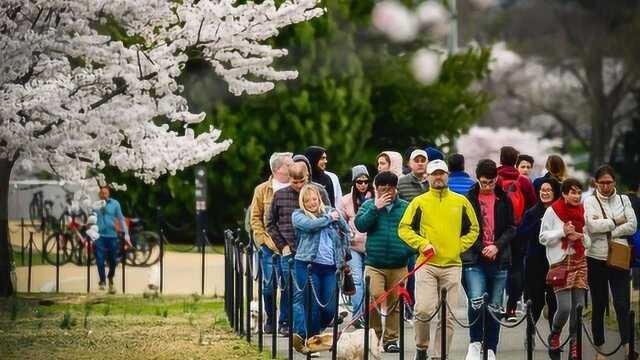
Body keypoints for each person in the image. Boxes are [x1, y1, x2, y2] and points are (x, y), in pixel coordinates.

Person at [398, 159, 480, 360]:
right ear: (428, 176)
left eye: (442, 173)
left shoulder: (461, 202)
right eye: (434, 173)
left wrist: (457, 246)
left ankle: (439, 356)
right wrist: (422, 244)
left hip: (452, 265)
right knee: (423, 309)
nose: (438, 177)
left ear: (448, 175)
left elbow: (474, 229)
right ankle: (421, 347)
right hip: (426, 264)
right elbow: (404, 228)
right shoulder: (419, 202)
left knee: (448, 316)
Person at [354, 171, 414, 353]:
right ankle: (374, 335)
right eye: (382, 189)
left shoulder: (405, 206)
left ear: (395, 188)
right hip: (375, 263)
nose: (386, 192)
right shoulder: (369, 205)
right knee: (376, 295)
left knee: (395, 303)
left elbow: (416, 230)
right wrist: (376, 207)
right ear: (377, 189)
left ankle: (390, 339)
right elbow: (360, 225)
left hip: (399, 263)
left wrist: (408, 250)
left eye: (389, 189)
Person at [462, 159, 516, 360]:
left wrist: (497, 246)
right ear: (477, 179)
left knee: (495, 305)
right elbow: (464, 230)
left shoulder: (503, 198)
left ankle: (491, 346)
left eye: (491, 182)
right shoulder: (468, 199)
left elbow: (512, 227)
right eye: (484, 182)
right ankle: (475, 343)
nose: (487, 186)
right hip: (474, 258)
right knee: (476, 301)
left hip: (499, 257)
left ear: (496, 179)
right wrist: (482, 247)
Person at [583, 165, 638, 359]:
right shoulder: (589, 202)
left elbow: (632, 226)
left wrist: (607, 230)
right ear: (596, 183)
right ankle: (600, 348)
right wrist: (617, 221)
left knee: (622, 304)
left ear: (614, 182)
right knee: (598, 304)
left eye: (609, 182)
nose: (605, 186)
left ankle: (627, 345)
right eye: (602, 183)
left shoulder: (624, 200)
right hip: (595, 258)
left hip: (619, 256)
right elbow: (591, 225)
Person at [291, 185, 350, 353]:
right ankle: (311, 342)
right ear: (302, 202)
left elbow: (345, 230)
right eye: (307, 200)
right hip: (308, 266)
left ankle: (316, 335)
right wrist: (330, 218)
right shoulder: (298, 215)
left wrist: (344, 256)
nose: (311, 203)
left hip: (330, 267)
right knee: (313, 305)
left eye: (314, 199)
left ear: (319, 198)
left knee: (330, 309)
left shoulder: (331, 211)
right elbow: (310, 226)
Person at [539, 178, 589, 360]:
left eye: (579, 192)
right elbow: (542, 237)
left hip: (580, 260)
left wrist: (580, 237)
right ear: (564, 193)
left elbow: (589, 236)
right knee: (565, 307)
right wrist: (563, 233)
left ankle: (574, 344)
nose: (576, 196)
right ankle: (555, 334)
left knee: (578, 307)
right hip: (560, 263)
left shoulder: (584, 211)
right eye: (572, 192)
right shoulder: (553, 211)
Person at [266, 161, 312, 336]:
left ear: (307, 177)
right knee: (290, 288)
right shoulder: (280, 195)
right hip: (288, 249)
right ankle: (286, 322)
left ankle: (307, 324)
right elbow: (270, 223)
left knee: (309, 288)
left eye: (302, 181)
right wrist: (282, 245)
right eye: (294, 181)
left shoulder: (316, 192)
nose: (299, 186)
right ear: (289, 178)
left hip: (311, 250)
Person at [250, 152, 293, 333]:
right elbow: (255, 218)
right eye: (288, 165)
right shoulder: (262, 190)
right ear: (277, 169)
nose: (293, 167)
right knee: (268, 286)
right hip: (268, 246)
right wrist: (262, 240)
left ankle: (284, 321)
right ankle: (270, 317)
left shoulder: (296, 187)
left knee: (287, 284)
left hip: (289, 246)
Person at [496, 146, 537, 321]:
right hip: (519, 230)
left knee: (497, 268)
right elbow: (533, 204)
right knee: (517, 268)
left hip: (498, 231)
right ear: (516, 161)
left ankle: (495, 305)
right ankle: (512, 309)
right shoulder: (524, 181)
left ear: (500, 159)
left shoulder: (495, 178)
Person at [519, 177, 561, 337]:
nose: (545, 193)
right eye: (542, 190)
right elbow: (521, 233)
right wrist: (539, 223)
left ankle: (554, 336)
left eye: (548, 190)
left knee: (553, 301)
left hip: (555, 262)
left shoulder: (559, 212)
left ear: (555, 192)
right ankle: (530, 332)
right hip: (534, 263)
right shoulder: (531, 212)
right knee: (536, 302)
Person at [339, 165, 374, 326]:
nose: (362, 185)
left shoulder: (375, 198)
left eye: (366, 181)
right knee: (357, 280)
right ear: (354, 182)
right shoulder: (346, 200)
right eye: (359, 181)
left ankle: (370, 314)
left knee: (371, 281)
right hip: (353, 246)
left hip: (372, 245)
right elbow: (340, 221)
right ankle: (357, 315)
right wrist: (348, 233)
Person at [93, 186, 131, 294]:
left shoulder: (115, 204)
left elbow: (121, 219)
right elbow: (92, 219)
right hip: (99, 236)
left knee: (113, 261)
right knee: (100, 260)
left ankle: (110, 277)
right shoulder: (95, 205)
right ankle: (102, 281)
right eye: (101, 193)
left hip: (112, 236)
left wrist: (126, 233)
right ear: (99, 194)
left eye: (105, 193)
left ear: (108, 194)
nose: (103, 195)